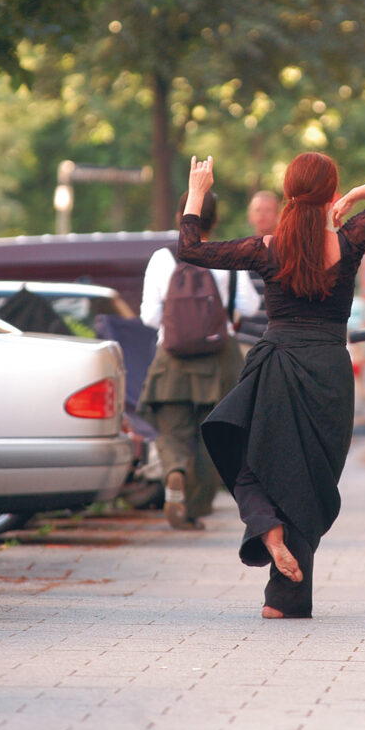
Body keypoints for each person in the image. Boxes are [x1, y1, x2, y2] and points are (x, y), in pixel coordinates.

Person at [177, 152, 365, 617]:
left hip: (276, 366)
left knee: (248, 457)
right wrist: (352, 196)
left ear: (287, 192)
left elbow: (191, 250)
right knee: (309, 481)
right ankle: (282, 600)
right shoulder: (350, 241)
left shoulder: (266, 247)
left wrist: (198, 194)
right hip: (329, 372)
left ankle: (267, 528)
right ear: (328, 193)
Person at [138, 190, 260, 530]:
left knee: (171, 427)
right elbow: (249, 308)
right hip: (220, 361)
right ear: (216, 220)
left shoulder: (163, 258)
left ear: (182, 215)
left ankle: (174, 469)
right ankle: (193, 508)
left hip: (172, 359)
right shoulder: (226, 258)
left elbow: (149, 315)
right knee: (213, 437)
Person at [235, 190, 281, 352]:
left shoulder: (289, 251)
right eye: (257, 210)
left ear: (277, 214)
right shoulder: (242, 251)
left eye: (268, 210)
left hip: (280, 341)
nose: (263, 215)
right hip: (247, 340)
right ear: (250, 216)